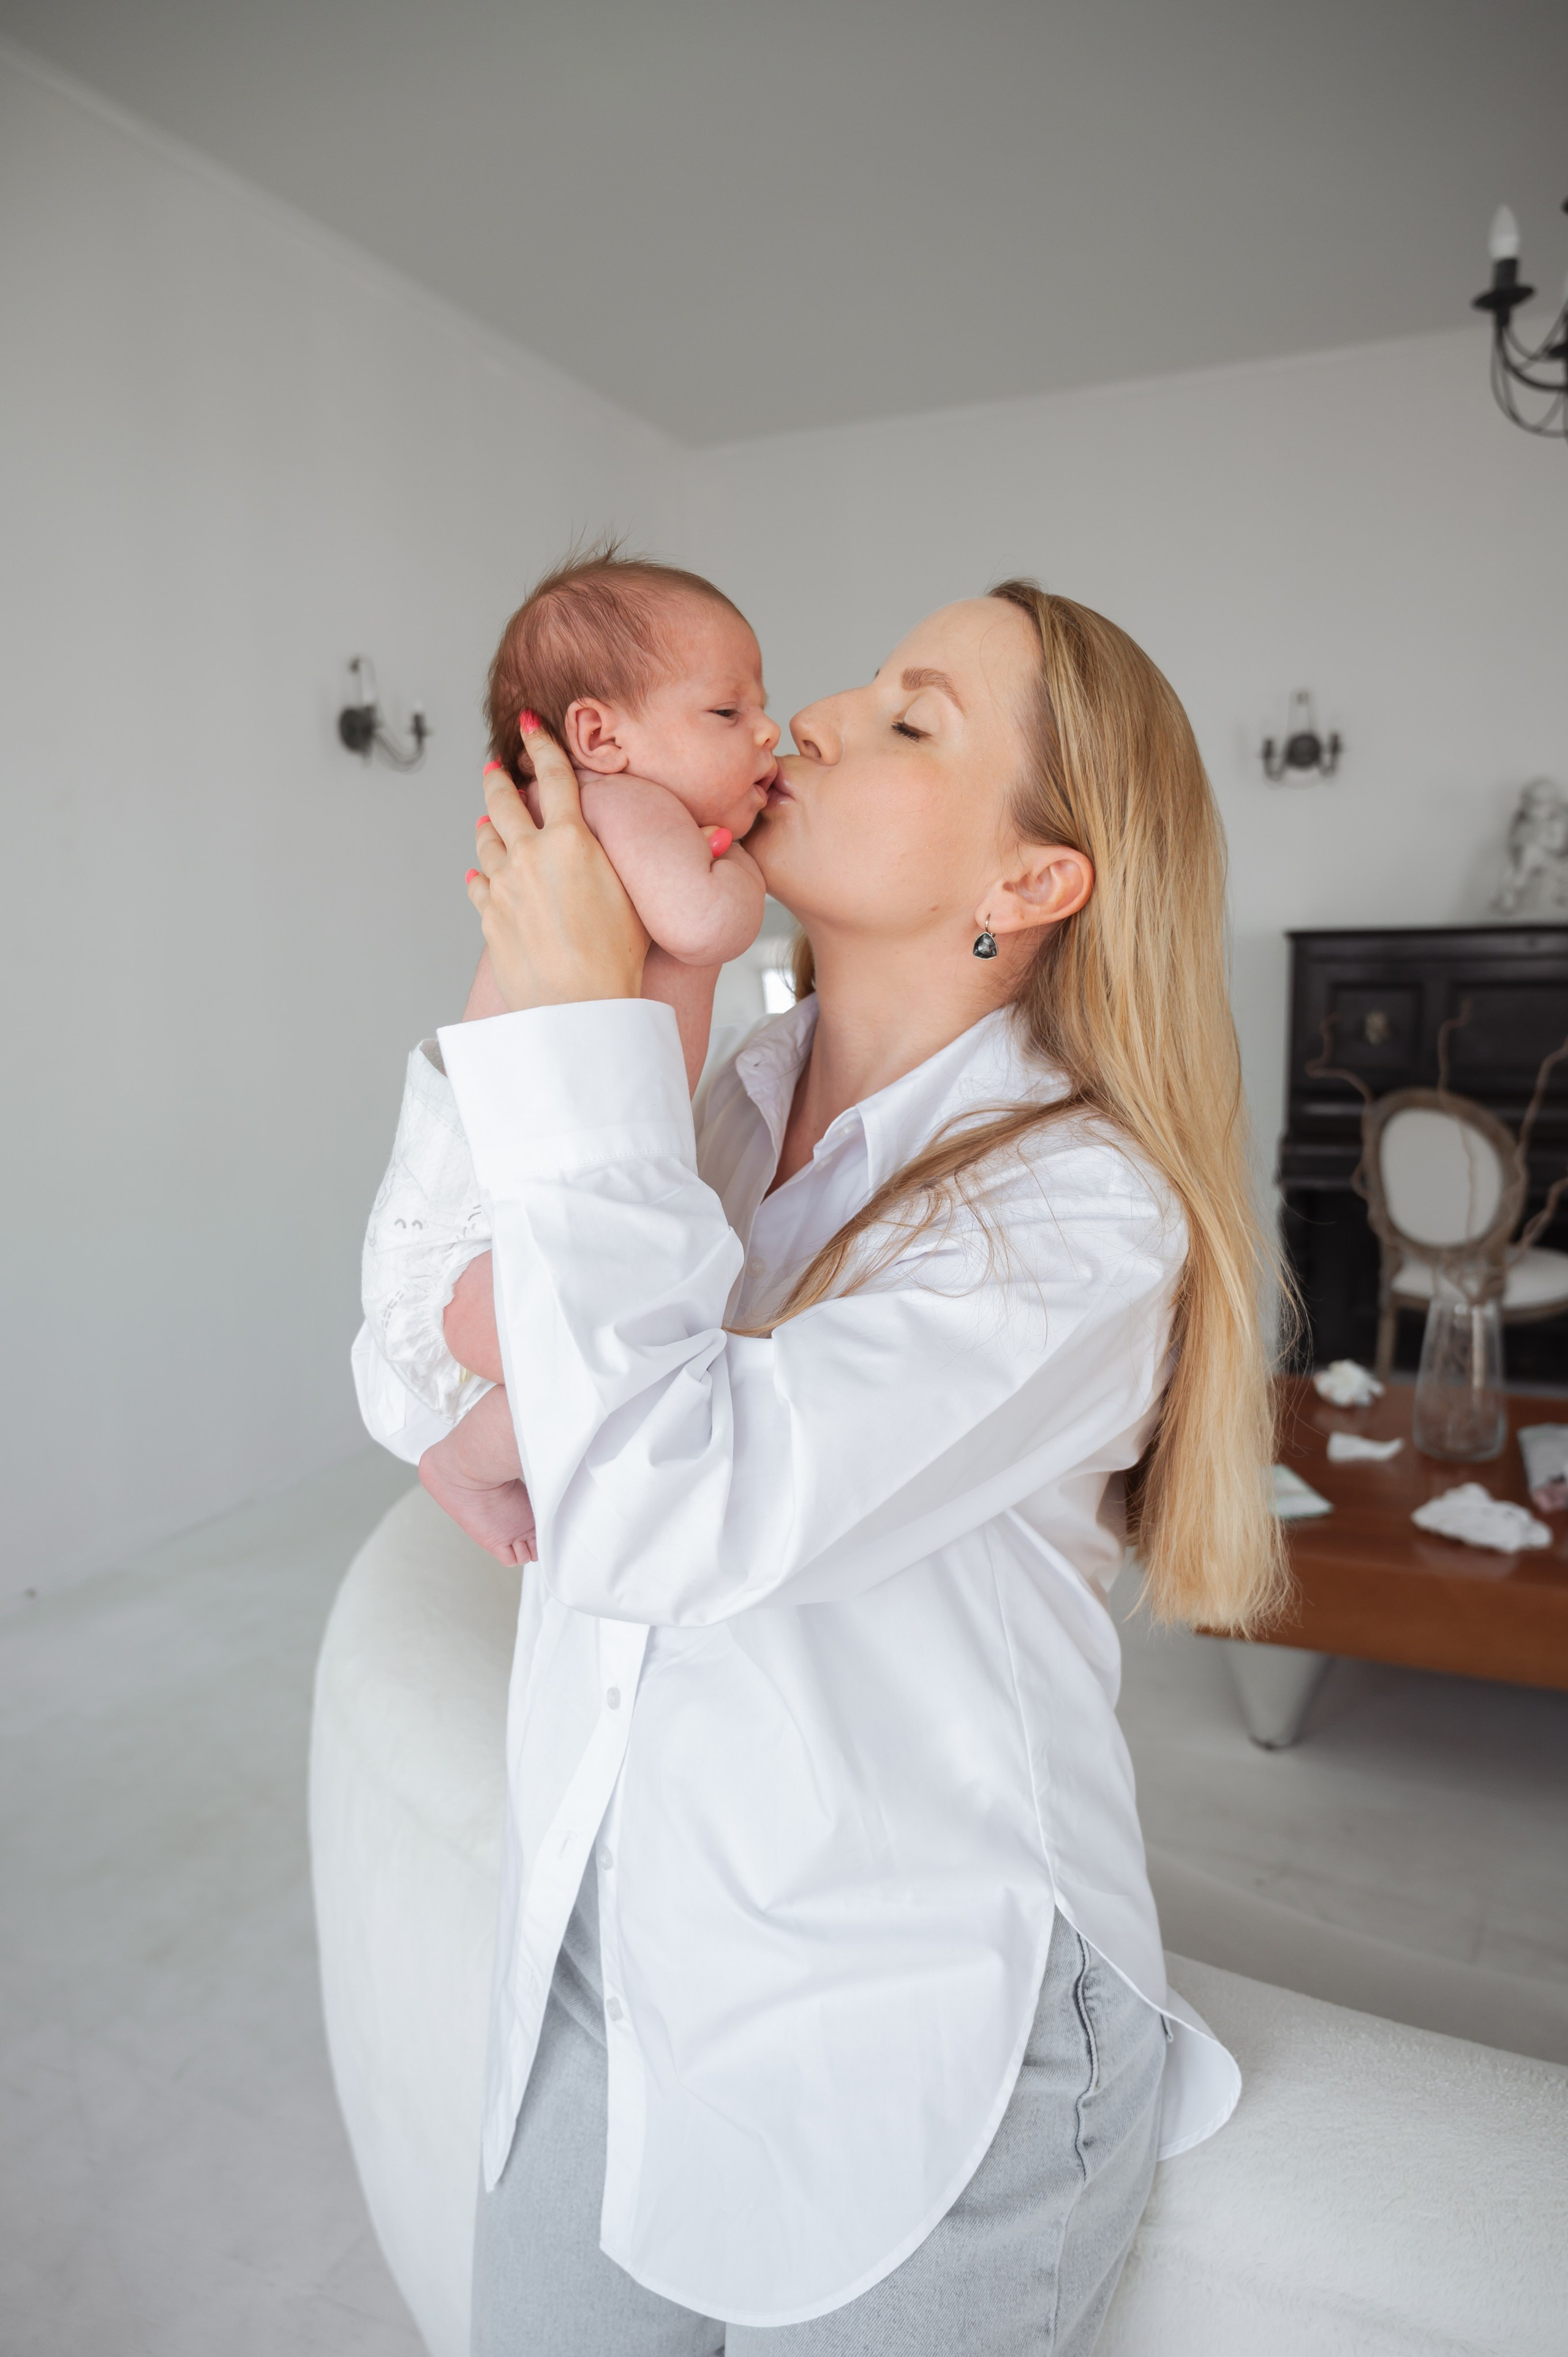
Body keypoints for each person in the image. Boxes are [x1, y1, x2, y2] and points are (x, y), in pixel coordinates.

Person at [352, 580, 1286, 2355]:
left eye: (913, 717)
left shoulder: (1080, 1214)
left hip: (922, 2027)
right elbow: (402, 1339)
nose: (820, 719)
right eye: (857, 685)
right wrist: (455, 1406)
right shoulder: (701, 1093)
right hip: (600, 1939)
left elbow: (660, 1514)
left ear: (1035, 883)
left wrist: (568, 1035)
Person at [369, 546, 779, 1568]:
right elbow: (705, 923)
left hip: (502, 1204)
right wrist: (752, 868)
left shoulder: (622, 818)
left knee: (593, 1363)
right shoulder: (622, 806)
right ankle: (465, 1465)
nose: (770, 731)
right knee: (595, 1361)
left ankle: (471, 1458)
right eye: (728, 713)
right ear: (599, 735)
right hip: (483, 1214)